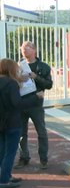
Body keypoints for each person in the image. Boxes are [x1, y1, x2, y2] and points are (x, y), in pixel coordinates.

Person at [0, 59, 43, 188]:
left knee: (2, 151)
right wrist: (36, 97)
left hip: (1, 122)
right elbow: (17, 103)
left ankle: (5, 175)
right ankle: (4, 180)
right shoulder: (11, 83)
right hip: (12, 122)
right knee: (10, 152)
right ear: (10, 69)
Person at [15, 41, 53, 170]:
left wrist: (36, 77)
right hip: (20, 104)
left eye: (27, 48)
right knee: (21, 133)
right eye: (22, 48)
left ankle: (43, 159)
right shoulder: (18, 66)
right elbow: (12, 83)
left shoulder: (43, 66)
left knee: (41, 132)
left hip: (36, 104)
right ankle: (24, 158)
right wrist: (18, 79)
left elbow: (49, 84)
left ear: (34, 50)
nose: (24, 50)